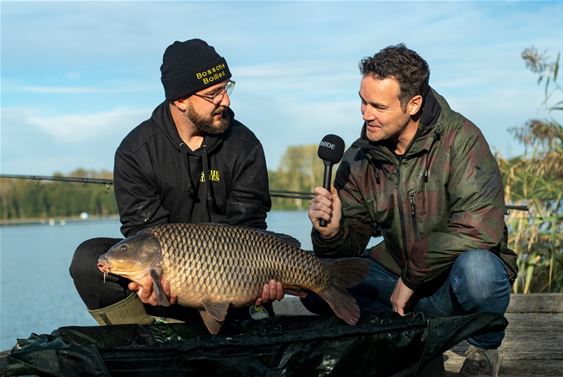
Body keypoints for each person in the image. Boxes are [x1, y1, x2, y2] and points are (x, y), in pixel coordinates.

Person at [307, 44, 518, 377]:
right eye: (362, 101)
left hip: (447, 284)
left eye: (378, 106)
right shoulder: (360, 155)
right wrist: (331, 232)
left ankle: (484, 348)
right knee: (317, 277)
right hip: (395, 281)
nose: (365, 114)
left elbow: (480, 229)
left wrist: (412, 275)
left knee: (479, 270)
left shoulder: (461, 140)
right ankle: (408, 328)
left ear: (413, 104)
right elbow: (351, 245)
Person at [70, 39, 283, 328]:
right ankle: (146, 338)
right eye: (214, 93)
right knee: (87, 261)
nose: (227, 101)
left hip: (233, 279)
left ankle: (233, 322)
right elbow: (141, 232)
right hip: (171, 278)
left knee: (273, 266)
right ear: (181, 100)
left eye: (227, 88)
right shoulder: (136, 152)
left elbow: (250, 229)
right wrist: (154, 284)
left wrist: (263, 284)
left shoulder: (244, 146)